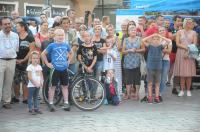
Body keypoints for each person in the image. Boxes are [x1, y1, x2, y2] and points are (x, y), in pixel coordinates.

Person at [41, 28, 73, 112]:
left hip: (64, 68)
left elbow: (71, 53)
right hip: (55, 68)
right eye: (58, 35)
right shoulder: (52, 45)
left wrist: (68, 61)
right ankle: (51, 103)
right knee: (52, 86)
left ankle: (66, 102)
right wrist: (47, 63)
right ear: (54, 36)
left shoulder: (66, 45)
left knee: (65, 86)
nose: (60, 37)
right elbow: (43, 54)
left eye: (62, 35)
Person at [142, 33, 171, 104]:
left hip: (158, 68)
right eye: (154, 39)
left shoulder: (161, 46)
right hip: (150, 68)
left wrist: (160, 36)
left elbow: (168, 41)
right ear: (151, 41)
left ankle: (157, 97)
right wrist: (152, 35)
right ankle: (149, 97)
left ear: (160, 41)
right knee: (150, 83)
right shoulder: (150, 46)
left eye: (157, 39)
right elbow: (143, 40)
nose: (155, 40)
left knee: (157, 83)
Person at [173, 18, 197, 97]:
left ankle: (188, 90)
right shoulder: (179, 32)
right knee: (182, 73)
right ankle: (182, 90)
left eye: (191, 23)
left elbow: (194, 44)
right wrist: (186, 48)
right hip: (180, 53)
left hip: (190, 53)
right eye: (189, 23)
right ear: (185, 23)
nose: (190, 24)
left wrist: (188, 51)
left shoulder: (194, 33)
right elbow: (177, 43)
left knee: (189, 74)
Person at [13, 21, 35, 104]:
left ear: (22, 27)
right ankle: (16, 97)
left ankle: (25, 98)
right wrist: (15, 59)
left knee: (26, 80)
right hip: (15, 61)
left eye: (17, 26)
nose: (16, 28)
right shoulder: (15, 36)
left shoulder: (30, 37)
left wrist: (23, 60)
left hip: (26, 62)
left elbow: (31, 51)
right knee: (16, 80)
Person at [0, 17, 19, 109]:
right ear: (1, 25)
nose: (8, 25)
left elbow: (16, 48)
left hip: (12, 60)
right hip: (0, 60)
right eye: (5, 24)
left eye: (9, 23)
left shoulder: (15, 35)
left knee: (8, 82)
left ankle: (6, 101)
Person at [122, 25, 142, 100]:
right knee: (128, 79)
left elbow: (143, 49)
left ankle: (137, 94)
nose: (133, 31)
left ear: (136, 32)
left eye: (134, 30)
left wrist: (136, 50)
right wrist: (129, 50)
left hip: (137, 62)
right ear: (128, 32)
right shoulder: (125, 40)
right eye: (131, 30)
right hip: (127, 62)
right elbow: (123, 51)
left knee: (137, 79)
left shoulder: (139, 39)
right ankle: (128, 94)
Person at [106, 24, 122, 101]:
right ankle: (109, 95)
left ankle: (119, 93)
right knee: (109, 77)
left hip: (116, 58)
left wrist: (114, 42)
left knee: (117, 76)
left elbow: (119, 48)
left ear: (114, 30)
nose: (110, 32)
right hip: (108, 59)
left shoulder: (117, 38)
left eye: (111, 30)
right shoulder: (106, 38)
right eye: (108, 30)